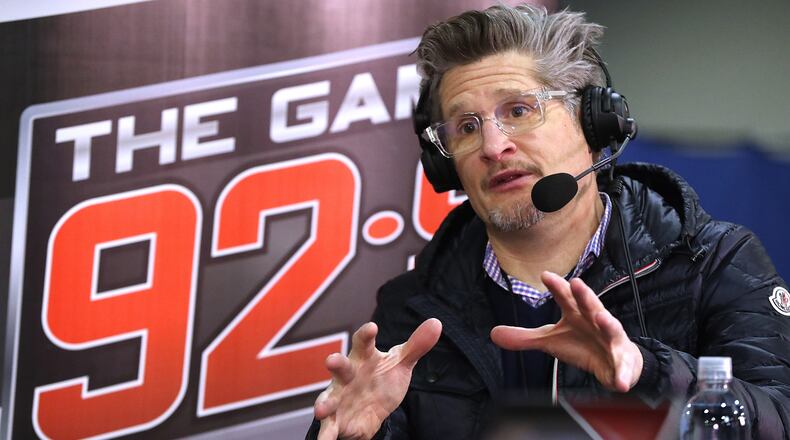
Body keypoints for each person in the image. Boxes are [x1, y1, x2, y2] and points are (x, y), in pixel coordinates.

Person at [307, 4, 790, 439]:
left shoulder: (714, 263)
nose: (494, 147)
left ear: (594, 123)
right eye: (467, 127)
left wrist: (649, 371)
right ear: (444, 162)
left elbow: (780, 417)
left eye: (518, 110)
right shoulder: (412, 308)